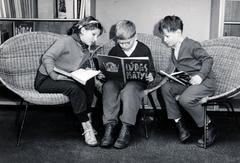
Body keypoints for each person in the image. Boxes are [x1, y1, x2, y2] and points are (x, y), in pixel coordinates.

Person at [34, 16, 103, 147]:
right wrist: (54, 75)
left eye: (97, 36)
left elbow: (74, 64)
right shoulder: (66, 41)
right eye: (93, 34)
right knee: (75, 89)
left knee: (89, 82)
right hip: (46, 79)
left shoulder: (85, 48)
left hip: (65, 77)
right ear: (82, 30)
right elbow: (47, 57)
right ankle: (87, 127)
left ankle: (87, 120)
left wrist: (85, 70)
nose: (95, 39)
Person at [157, 15, 217, 148]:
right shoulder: (174, 48)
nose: (164, 40)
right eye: (163, 37)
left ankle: (209, 126)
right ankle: (180, 125)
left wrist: (200, 76)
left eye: (167, 36)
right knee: (166, 88)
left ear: (178, 33)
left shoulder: (192, 44)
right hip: (190, 83)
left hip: (206, 82)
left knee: (185, 99)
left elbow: (208, 60)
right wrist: (170, 76)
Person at [99, 20, 156, 149]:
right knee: (108, 86)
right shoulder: (114, 50)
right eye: (121, 43)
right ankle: (110, 126)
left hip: (136, 83)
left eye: (127, 43)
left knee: (130, 90)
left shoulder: (143, 49)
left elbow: (152, 70)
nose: (124, 46)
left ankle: (126, 127)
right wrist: (102, 75)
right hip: (117, 80)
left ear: (135, 37)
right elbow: (107, 70)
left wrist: (151, 75)